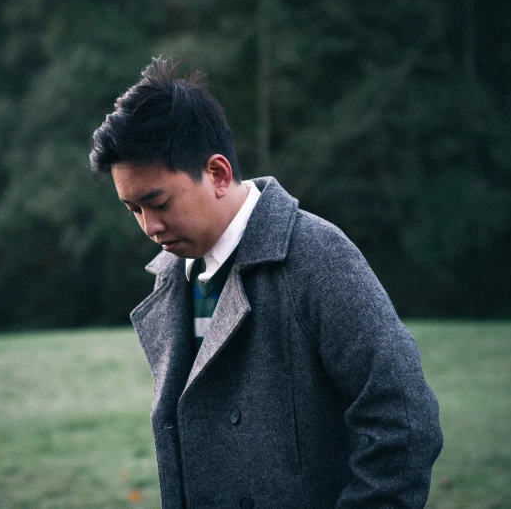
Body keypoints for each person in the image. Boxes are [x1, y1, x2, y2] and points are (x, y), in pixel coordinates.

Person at [89, 57, 443, 509]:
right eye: (133, 209)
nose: (150, 226)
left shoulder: (317, 255)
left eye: (157, 202)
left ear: (216, 174)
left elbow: (404, 421)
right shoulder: (171, 278)